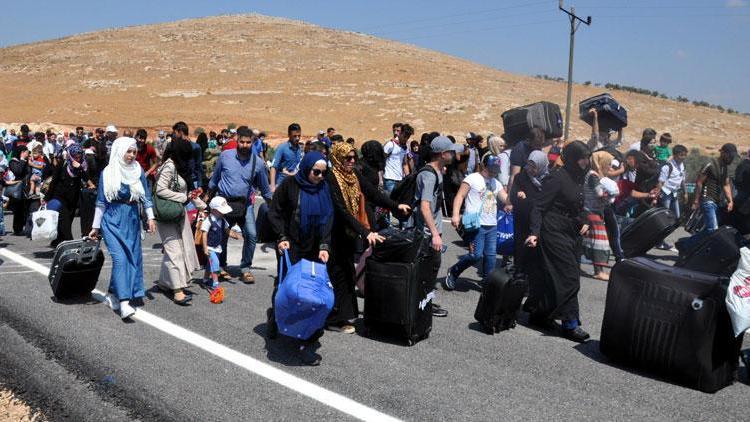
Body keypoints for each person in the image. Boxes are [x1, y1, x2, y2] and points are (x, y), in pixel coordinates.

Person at [266, 151, 333, 365]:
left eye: (324, 173)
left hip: (314, 248)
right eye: (316, 172)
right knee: (286, 285)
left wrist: (324, 245)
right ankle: (276, 317)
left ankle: (305, 339)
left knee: (312, 294)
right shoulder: (290, 185)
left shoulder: (324, 188)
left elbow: (327, 219)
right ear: (306, 168)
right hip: (291, 245)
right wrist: (281, 237)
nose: (320, 177)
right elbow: (274, 211)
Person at [525, 141, 592, 343]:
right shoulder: (557, 177)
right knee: (570, 277)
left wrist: (585, 220)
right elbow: (538, 207)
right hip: (552, 231)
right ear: (572, 158)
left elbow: (576, 206)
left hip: (570, 231)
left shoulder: (579, 177)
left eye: (587, 158)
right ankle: (570, 324)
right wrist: (534, 233)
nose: (586, 162)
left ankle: (539, 314)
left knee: (552, 277)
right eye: (582, 158)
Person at [88, 137, 156, 320]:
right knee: (120, 259)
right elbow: (101, 202)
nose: (131, 155)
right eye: (128, 151)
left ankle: (112, 294)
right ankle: (125, 302)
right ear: (119, 151)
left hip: (132, 218)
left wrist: (150, 217)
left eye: (134, 152)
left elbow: (146, 196)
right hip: (112, 219)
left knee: (131, 257)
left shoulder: (137, 170)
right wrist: (95, 227)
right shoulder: (108, 173)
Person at [325, 143, 387, 332]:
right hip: (331, 234)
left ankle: (341, 315)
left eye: (354, 157)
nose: (352, 161)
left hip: (348, 234)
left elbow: (373, 193)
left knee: (345, 274)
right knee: (337, 274)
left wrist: (395, 206)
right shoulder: (331, 178)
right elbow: (342, 210)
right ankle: (335, 317)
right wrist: (366, 232)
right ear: (337, 158)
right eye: (348, 158)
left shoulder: (353, 175)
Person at [206, 126, 273, 284]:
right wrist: (206, 197)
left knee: (251, 235)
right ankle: (221, 266)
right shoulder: (225, 156)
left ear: (253, 142)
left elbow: (264, 189)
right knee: (221, 236)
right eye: (242, 142)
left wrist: (274, 205)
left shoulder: (258, 163)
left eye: (248, 142)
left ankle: (245, 268)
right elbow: (214, 180)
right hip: (224, 203)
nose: (244, 145)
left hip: (245, 205)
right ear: (237, 141)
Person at [444, 155, 510, 290]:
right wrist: (455, 214)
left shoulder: (496, 183)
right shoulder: (472, 178)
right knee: (475, 255)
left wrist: (516, 196)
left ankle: (487, 284)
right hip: (476, 224)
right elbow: (460, 196)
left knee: (491, 256)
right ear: (483, 165)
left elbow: (506, 199)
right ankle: (454, 271)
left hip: (492, 224)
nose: (493, 172)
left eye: (496, 169)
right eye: (491, 168)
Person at [154, 139, 207, 305]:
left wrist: (202, 207)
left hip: (178, 213)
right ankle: (177, 291)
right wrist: (183, 198)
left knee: (176, 249)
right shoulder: (169, 166)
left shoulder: (182, 167)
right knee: (174, 251)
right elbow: (161, 189)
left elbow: (189, 190)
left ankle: (164, 282)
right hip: (166, 214)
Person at [413, 136, 461, 318]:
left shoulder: (438, 171)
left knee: (431, 269)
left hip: (432, 229)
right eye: (451, 151)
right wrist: (434, 234)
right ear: (442, 154)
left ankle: (426, 300)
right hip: (427, 232)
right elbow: (425, 206)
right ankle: (422, 303)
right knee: (428, 270)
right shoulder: (429, 175)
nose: (454, 153)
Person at [510, 151, 548, 314]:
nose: (530, 169)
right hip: (522, 221)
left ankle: (532, 287)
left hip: (539, 224)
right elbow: (513, 195)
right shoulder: (521, 177)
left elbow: (545, 201)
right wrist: (518, 195)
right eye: (529, 165)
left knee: (536, 257)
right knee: (521, 252)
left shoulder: (548, 179)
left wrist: (529, 199)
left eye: (534, 166)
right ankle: (519, 285)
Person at [45, 143, 89, 247]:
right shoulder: (62, 165)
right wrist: (47, 198)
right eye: (75, 157)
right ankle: (70, 244)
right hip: (60, 198)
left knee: (68, 221)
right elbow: (54, 181)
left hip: (73, 199)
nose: (77, 159)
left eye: (79, 156)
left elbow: (86, 178)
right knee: (65, 222)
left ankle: (57, 241)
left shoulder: (82, 165)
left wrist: (80, 168)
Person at [582, 152, 617, 281]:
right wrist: (613, 193)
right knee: (600, 243)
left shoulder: (593, 175)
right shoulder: (593, 176)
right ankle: (599, 271)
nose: (610, 168)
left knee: (589, 242)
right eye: (608, 164)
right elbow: (600, 193)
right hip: (592, 213)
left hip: (592, 212)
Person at [692, 143, 737, 232]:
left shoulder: (725, 168)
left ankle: (685, 244)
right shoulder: (710, 163)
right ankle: (686, 244)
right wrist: (696, 200)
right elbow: (699, 182)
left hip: (716, 201)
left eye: (733, 156)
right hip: (707, 199)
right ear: (723, 153)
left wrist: (730, 201)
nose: (731, 158)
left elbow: (726, 184)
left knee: (708, 231)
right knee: (713, 229)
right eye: (730, 155)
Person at [201, 196, 242, 290]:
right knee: (215, 264)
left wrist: (235, 235)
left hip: (218, 248)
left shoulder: (223, 220)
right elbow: (204, 234)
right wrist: (205, 247)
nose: (224, 213)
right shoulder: (208, 221)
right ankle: (215, 284)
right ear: (214, 210)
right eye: (222, 211)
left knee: (209, 265)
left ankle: (205, 280)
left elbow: (228, 231)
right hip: (210, 247)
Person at [655, 144, 688, 250]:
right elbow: (660, 182)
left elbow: (682, 180)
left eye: (684, 155)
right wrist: (656, 196)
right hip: (666, 193)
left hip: (674, 194)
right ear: (675, 155)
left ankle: (660, 239)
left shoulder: (682, 165)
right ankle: (659, 241)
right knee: (665, 217)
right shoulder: (667, 166)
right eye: (681, 155)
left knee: (676, 217)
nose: (683, 157)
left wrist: (685, 192)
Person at [270, 123, 303, 192]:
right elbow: (273, 167)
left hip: (294, 184)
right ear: (289, 135)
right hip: (281, 183)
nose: (297, 138)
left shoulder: (299, 149)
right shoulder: (282, 148)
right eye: (294, 136)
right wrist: (272, 186)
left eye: (299, 136)